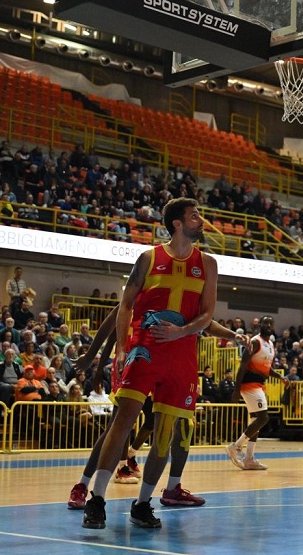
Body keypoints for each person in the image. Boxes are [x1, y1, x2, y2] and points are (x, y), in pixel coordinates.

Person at [81, 197, 218, 530]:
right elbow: (125, 304)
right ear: (177, 223)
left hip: (182, 355)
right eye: (194, 216)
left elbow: (207, 314)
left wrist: (182, 331)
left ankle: (143, 504)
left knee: (163, 434)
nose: (201, 220)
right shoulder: (148, 258)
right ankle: (96, 499)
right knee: (123, 422)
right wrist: (123, 346)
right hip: (145, 349)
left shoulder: (209, 264)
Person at [226, 315, 283, 470]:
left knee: (255, 421)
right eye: (266, 322)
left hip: (259, 384)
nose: (268, 325)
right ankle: (236, 447)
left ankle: (249, 458)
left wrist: (280, 377)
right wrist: (236, 389)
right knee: (263, 417)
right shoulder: (255, 342)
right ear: (260, 325)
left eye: (271, 323)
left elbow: (266, 368)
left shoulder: (270, 344)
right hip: (249, 384)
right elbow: (243, 366)